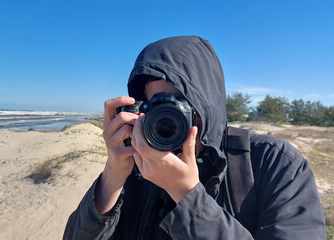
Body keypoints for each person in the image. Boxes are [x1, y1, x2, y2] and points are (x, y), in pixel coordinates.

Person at [63, 36, 327, 239]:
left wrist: (185, 193)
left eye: (180, 104)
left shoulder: (274, 164)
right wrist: (112, 176)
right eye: (155, 106)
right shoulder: (137, 167)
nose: (167, 119)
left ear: (206, 104)